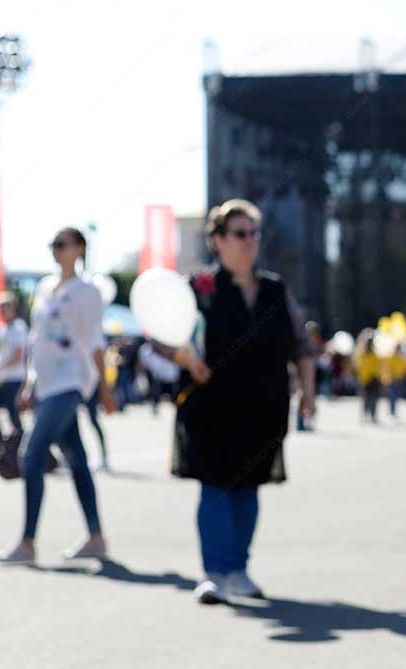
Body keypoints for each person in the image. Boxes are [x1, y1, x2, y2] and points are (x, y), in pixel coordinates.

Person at [169, 199, 314, 605]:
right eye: (239, 233)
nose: (249, 241)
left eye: (254, 233)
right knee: (215, 485)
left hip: (264, 404)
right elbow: (165, 339)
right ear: (217, 240)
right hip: (210, 405)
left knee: (249, 486)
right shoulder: (197, 287)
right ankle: (215, 572)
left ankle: (239, 569)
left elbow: (301, 344)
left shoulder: (275, 288)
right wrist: (186, 358)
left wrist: (308, 392)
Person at [0, 227, 118, 564]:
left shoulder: (87, 291)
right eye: (53, 244)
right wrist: (29, 383)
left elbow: (95, 340)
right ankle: (96, 537)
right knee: (77, 459)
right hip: (47, 384)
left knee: (31, 455)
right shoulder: (47, 287)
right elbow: (37, 340)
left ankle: (27, 542)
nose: (56, 250)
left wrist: (105, 389)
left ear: (79, 249)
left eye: (62, 244)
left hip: (71, 383)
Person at [0, 292, 29, 452]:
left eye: (5, 307)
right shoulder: (1, 328)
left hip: (14, 379)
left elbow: (17, 356)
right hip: (0, 379)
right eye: (0, 307)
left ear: (13, 308)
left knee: (13, 416)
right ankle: (3, 447)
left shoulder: (19, 327)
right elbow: (0, 353)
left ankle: (23, 449)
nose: (2, 310)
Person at [354, 329, 381, 423]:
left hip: (372, 378)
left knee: (372, 398)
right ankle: (366, 414)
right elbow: (358, 366)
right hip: (366, 379)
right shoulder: (362, 353)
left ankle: (372, 415)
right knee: (367, 398)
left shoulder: (374, 354)